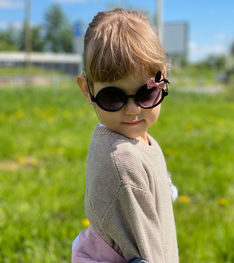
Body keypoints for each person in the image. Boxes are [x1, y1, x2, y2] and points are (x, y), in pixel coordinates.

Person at [72, 8, 179, 263]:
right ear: (87, 90)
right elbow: (147, 253)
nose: (133, 110)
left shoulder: (137, 139)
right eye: (113, 97)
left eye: (146, 94)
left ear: (162, 80)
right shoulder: (124, 162)